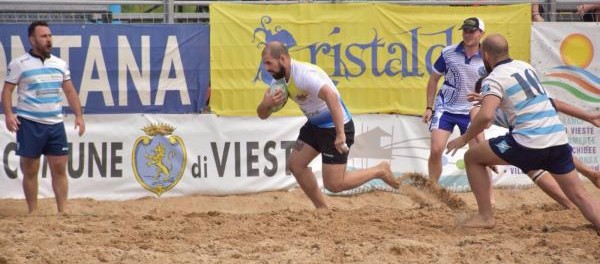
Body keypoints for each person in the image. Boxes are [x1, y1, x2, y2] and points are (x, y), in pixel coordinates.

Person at [446, 33, 600, 233]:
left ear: (485, 55)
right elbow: (550, 102)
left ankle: (485, 216)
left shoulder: (493, 78)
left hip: (528, 143)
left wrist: (462, 138)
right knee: (580, 195)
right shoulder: (525, 67)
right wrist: (588, 116)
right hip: (558, 141)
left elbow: (484, 117)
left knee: (472, 157)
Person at [256, 41, 399, 209]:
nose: (266, 68)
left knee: (334, 185)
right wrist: (266, 104)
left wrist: (340, 134)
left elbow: (331, 96)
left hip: (335, 126)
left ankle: (379, 170)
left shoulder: (303, 74)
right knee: (296, 165)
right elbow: (262, 115)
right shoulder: (280, 83)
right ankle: (322, 208)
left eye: (268, 63)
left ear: (282, 59)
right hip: (315, 125)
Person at [470, 78, 600, 209]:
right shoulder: (480, 108)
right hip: (538, 134)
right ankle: (588, 176)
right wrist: (588, 117)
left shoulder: (509, 99)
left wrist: (588, 116)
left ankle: (572, 200)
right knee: (548, 157)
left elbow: (556, 103)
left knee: (533, 166)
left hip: (531, 134)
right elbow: (479, 127)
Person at [2, 21, 85, 214]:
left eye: (49, 35)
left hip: (55, 124)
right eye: (43, 36)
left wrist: (79, 116)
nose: (48, 39)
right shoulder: (19, 64)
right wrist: (8, 114)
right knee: (30, 170)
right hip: (29, 123)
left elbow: (70, 91)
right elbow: (7, 91)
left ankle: (62, 211)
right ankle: (33, 211)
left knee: (59, 168)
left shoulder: (59, 64)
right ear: (32, 40)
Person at [422, 17, 486, 185]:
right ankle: (433, 189)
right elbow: (433, 80)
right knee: (436, 150)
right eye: (465, 30)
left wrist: (487, 108)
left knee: (479, 154)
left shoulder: (487, 57)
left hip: (472, 110)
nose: (467, 34)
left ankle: (488, 196)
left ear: (481, 33)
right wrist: (429, 107)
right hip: (446, 107)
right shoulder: (448, 52)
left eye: (472, 31)